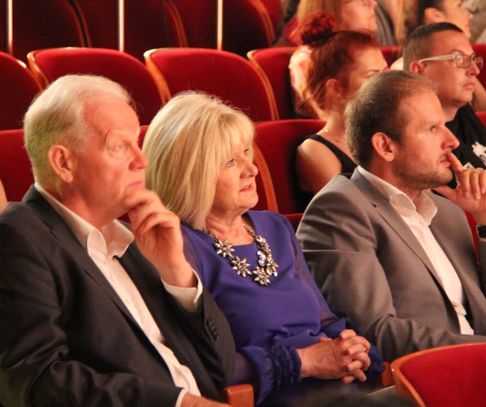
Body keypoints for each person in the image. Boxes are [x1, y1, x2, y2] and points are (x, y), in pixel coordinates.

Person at [0, 75, 236, 407]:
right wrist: (179, 404)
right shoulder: (18, 236)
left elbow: (222, 368)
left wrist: (176, 272)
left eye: (137, 142)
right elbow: (36, 381)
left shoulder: (134, 239)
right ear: (64, 163)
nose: (142, 161)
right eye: (120, 146)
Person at [142, 91, 383, 405]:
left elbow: (323, 320)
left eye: (247, 152)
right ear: (190, 175)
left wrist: (354, 347)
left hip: (339, 392)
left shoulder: (274, 227)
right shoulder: (175, 247)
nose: (251, 169)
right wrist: (305, 361)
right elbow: (200, 367)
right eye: (230, 162)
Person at [297, 70, 486, 361]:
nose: (453, 141)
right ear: (386, 146)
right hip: (419, 378)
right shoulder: (339, 209)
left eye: (445, 126)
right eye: (432, 129)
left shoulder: (447, 211)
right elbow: (374, 331)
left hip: (485, 365)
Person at [403, 22, 486, 195]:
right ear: (418, 70)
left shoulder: (461, 110)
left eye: (473, 59)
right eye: (459, 59)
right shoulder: (420, 145)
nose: (474, 70)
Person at [295, 13, 388, 194]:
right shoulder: (315, 150)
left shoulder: (385, 136)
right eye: (373, 76)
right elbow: (350, 207)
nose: (385, 82)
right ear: (336, 88)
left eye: (386, 72)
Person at [396, 0, 486, 112]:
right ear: (435, 15)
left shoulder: (464, 75)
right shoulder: (402, 76)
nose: (470, 15)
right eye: (459, 6)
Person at [288, 0, 379, 118]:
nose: (373, 3)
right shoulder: (307, 59)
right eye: (361, 0)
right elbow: (327, 120)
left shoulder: (370, 50)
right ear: (332, 9)